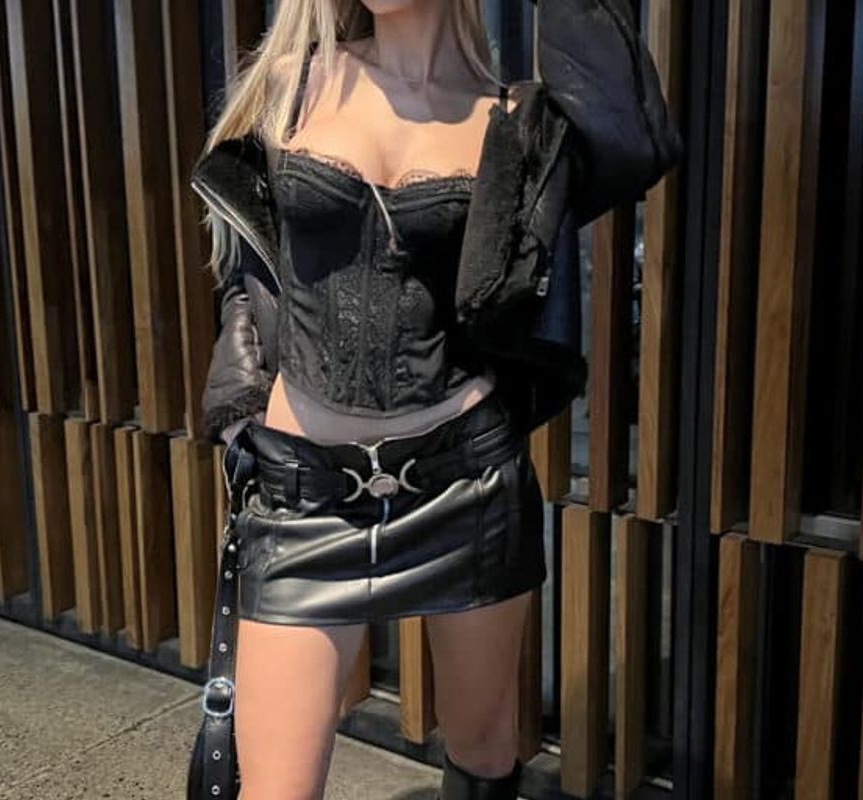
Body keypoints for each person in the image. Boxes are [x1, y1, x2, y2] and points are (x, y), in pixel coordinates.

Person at [189, 1, 679, 798]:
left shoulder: (511, 122)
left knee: (484, 751)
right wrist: (242, 399)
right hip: (305, 496)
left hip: (466, 486)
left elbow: (631, 133)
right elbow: (252, 264)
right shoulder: (291, 83)